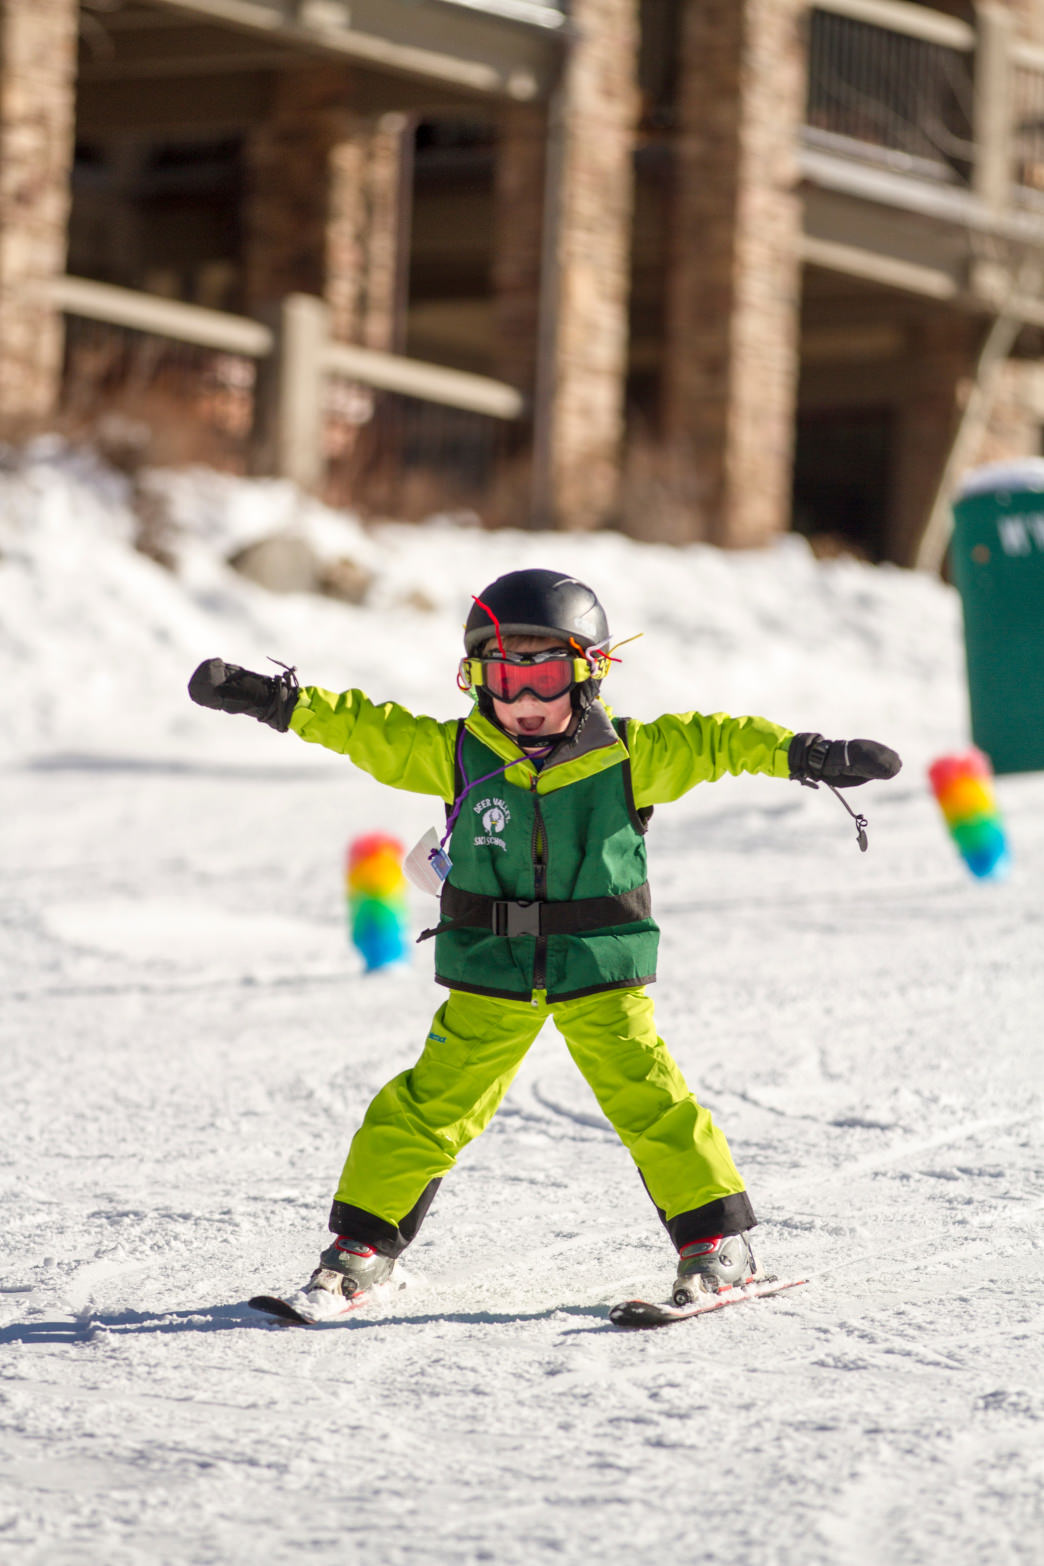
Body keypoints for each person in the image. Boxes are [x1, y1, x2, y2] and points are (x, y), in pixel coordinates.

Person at [188, 568, 901, 1316]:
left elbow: (719, 740)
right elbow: (367, 728)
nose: (524, 701)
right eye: (503, 677)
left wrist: (809, 755)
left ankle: (717, 1248)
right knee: (425, 1106)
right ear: (474, 680)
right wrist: (277, 700)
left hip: (598, 965)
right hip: (490, 967)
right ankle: (361, 1252)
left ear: (590, 673)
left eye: (547, 677)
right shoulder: (455, 754)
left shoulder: (632, 754)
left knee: (651, 1101)